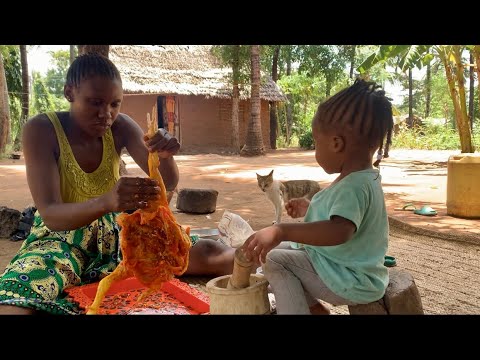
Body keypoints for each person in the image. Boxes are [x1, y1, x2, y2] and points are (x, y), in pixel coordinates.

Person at [0, 53, 235, 315]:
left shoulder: (120, 126)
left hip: (117, 236)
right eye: (95, 102)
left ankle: (275, 256)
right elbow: (52, 214)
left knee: (212, 253)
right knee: (16, 299)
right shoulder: (42, 130)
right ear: (69, 93)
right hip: (60, 240)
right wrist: (106, 201)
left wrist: (163, 156)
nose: (106, 114)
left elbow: (168, 181)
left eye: (115, 104)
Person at [243, 79, 394, 314]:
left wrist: (281, 229)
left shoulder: (353, 185)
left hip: (350, 279)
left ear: (336, 144)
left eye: (315, 142)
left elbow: (340, 231)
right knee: (283, 249)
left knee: (274, 260)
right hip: (349, 269)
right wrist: (310, 207)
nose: (315, 149)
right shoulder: (362, 177)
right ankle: (315, 310)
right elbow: (342, 215)